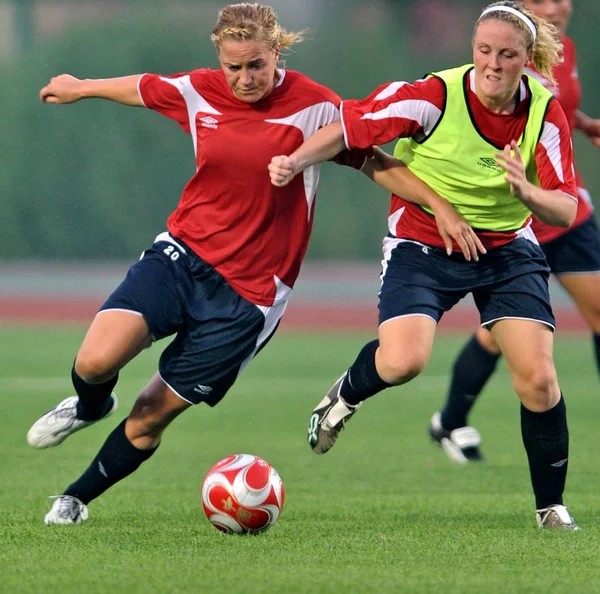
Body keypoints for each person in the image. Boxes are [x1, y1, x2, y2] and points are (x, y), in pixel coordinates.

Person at [27, 2, 478, 526]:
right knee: (93, 362)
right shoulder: (199, 90)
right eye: (233, 67)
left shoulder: (317, 107)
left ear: (276, 52)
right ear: (219, 58)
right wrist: (81, 86)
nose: (244, 79)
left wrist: (439, 207)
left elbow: (376, 162)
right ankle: (88, 405)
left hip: (248, 298)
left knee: (150, 416)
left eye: (256, 65)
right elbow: (144, 88)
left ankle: (75, 498)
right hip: (182, 255)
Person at [269, 1, 580, 529]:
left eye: (507, 55)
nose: (493, 65)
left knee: (540, 381)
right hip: (422, 242)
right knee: (404, 361)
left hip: (506, 249)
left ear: (527, 58)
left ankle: (550, 508)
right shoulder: (434, 94)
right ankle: (343, 396)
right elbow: (350, 127)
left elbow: (566, 206)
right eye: (484, 51)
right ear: (472, 51)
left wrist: (528, 191)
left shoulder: (543, 112)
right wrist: (296, 160)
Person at [429, 0, 600, 465]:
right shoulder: (504, 59)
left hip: (563, 207)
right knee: (499, 335)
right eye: (544, 0)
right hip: (514, 214)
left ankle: (448, 420)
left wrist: (584, 125)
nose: (558, 6)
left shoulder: (566, 51)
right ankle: (449, 419)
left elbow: (557, 113)